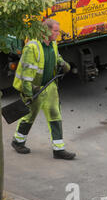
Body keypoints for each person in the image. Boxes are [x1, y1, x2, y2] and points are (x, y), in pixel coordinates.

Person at [11, 19, 75, 160]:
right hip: (34, 88)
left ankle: (59, 150)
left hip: (49, 86)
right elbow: (26, 75)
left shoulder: (53, 44)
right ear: (45, 31)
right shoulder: (32, 47)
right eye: (56, 31)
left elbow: (56, 56)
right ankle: (18, 141)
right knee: (29, 116)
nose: (58, 34)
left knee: (55, 115)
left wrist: (63, 64)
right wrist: (28, 93)